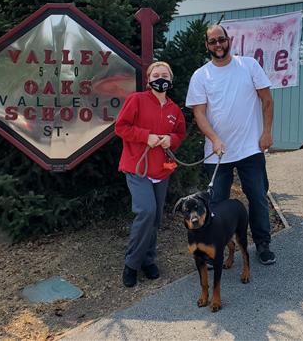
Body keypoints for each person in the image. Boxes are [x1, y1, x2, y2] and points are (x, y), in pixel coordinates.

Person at [185, 24, 276, 265]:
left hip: (250, 149)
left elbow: (267, 100)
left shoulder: (249, 66)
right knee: (215, 205)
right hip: (218, 155)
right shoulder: (200, 76)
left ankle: (263, 244)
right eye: (212, 41)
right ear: (207, 45)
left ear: (229, 40)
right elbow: (199, 114)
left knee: (257, 197)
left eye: (221, 40)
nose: (218, 45)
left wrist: (266, 132)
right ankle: (212, 247)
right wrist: (214, 139)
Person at [115, 61, 186, 287]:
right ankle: (132, 264)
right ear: (149, 79)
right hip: (137, 167)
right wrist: (145, 136)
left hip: (161, 170)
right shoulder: (136, 100)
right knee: (146, 211)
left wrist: (171, 140)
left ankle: (148, 259)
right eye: (156, 74)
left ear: (171, 80)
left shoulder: (174, 110)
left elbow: (179, 133)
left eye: (165, 74)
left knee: (155, 218)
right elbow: (121, 127)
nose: (160, 77)